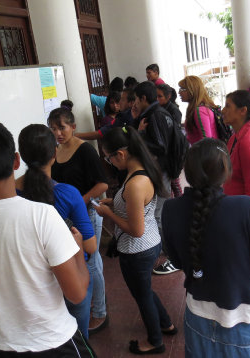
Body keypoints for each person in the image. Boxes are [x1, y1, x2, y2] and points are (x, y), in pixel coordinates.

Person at [0, 119, 95, 356]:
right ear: (16, 160)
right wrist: (77, 250)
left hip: (6, 346)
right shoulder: (42, 215)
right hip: (57, 343)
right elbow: (77, 294)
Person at [162, 138, 250, 358]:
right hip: (243, 323)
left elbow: (177, 262)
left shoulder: (171, 208)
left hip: (197, 318)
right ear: (226, 169)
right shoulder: (247, 208)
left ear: (188, 171)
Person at [93, 126, 176, 355]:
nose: (109, 162)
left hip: (138, 248)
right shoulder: (139, 172)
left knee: (142, 296)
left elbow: (136, 230)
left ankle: (155, 341)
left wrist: (108, 214)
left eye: (108, 158)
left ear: (120, 154)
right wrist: (115, 203)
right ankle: (166, 323)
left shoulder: (135, 183)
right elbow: (136, 207)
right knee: (145, 291)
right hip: (149, 244)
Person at [15, 124, 98, 339]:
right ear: (54, 153)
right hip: (71, 276)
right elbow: (90, 246)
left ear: (21, 156)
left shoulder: (10, 194)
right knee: (78, 338)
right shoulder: (68, 194)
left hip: (31, 282)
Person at [48, 108, 110, 334]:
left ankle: (100, 312)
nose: (58, 133)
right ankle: (89, 307)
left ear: (73, 127)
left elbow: (102, 184)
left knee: (91, 262)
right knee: (80, 261)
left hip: (87, 213)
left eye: (62, 127)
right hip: (67, 217)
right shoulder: (55, 151)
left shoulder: (84, 151)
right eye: (53, 129)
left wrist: (79, 201)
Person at [132, 81, 180, 275]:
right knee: (157, 211)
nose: (134, 103)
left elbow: (160, 147)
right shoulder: (157, 113)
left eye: (136, 98)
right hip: (161, 170)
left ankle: (171, 253)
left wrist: (141, 135)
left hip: (161, 171)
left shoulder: (155, 115)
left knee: (158, 213)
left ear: (143, 98)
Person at [157, 83, 183, 198]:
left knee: (174, 182)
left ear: (168, 97)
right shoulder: (160, 109)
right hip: (166, 153)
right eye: (155, 96)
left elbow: (173, 133)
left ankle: (180, 203)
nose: (157, 99)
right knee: (170, 183)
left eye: (160, 96)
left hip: (172, 152)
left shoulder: (174, 111)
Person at [178, 75, 218, 145]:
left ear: (191, 90)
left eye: (182, 89)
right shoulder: (196, 109)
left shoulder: (200, 111)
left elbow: (206, 140)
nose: (179, 92)